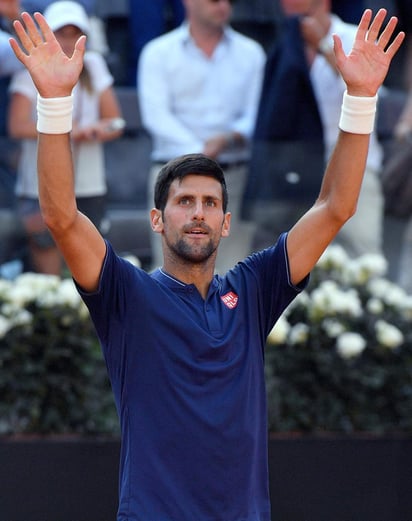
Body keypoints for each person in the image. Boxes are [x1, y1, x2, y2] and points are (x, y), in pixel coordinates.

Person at [9, 7, 403, 520]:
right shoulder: (126, 294)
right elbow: (61, 216)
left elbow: (336, 207)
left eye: (210, 204)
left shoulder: (255, 288)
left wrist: (360, 99)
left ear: (224, 222)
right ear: (156, 219)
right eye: (184, 202)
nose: (197, 214)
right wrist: (55, 102)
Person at [244, 0, 386, 259]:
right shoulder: (281, 41)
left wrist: (322, 46)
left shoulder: (355, 36)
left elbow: (375, 96)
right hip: (296, 165)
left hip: (355, 159)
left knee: (364, 257)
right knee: (296, 260)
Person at [138, 0, 266, 273]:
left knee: (232, 275)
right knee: (170, 273)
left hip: (235, 176)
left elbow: (256, 114)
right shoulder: (157, 52)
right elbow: (156, 116)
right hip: (172, 177)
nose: (223, 6)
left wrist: (231, 137)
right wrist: (201, 155)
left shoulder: (252, 53)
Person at [7, 0, 124, 275]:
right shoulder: (34, 64)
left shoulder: (93, 64)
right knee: (46, 256)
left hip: (87, 183)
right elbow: (16, 125)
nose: (69, 40)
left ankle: (82, 318)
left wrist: (94, 130)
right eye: (62, 32)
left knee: (89, 263)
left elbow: (115, 121)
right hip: (40, 182)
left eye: (75, 33)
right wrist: (66, 127)